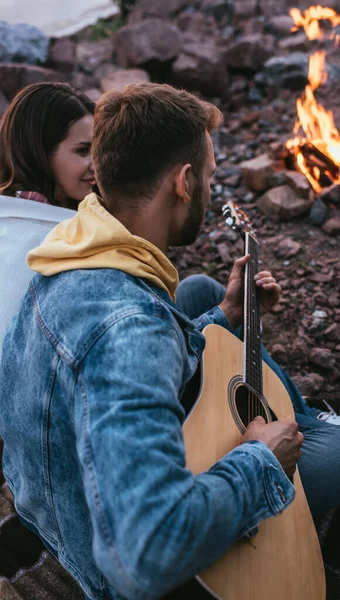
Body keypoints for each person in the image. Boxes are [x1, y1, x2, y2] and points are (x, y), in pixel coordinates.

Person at [0, 83, 340, 600]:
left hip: (45, 504)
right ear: (184, 182)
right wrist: (260, 462)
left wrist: (225, 314)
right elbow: (144, 557)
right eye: (207, 176)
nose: (209, 187)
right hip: (88, 558)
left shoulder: (70, 253)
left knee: (202, 299)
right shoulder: (131, 326)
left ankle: (300, 419)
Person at [0, 82, 95, 600]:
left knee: (201, 294)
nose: (96, 164)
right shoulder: (50, 240)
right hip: (25, 441)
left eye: (100, 150)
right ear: (40, 152)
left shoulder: (26, 217)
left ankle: (312, 419)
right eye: (82, 151)